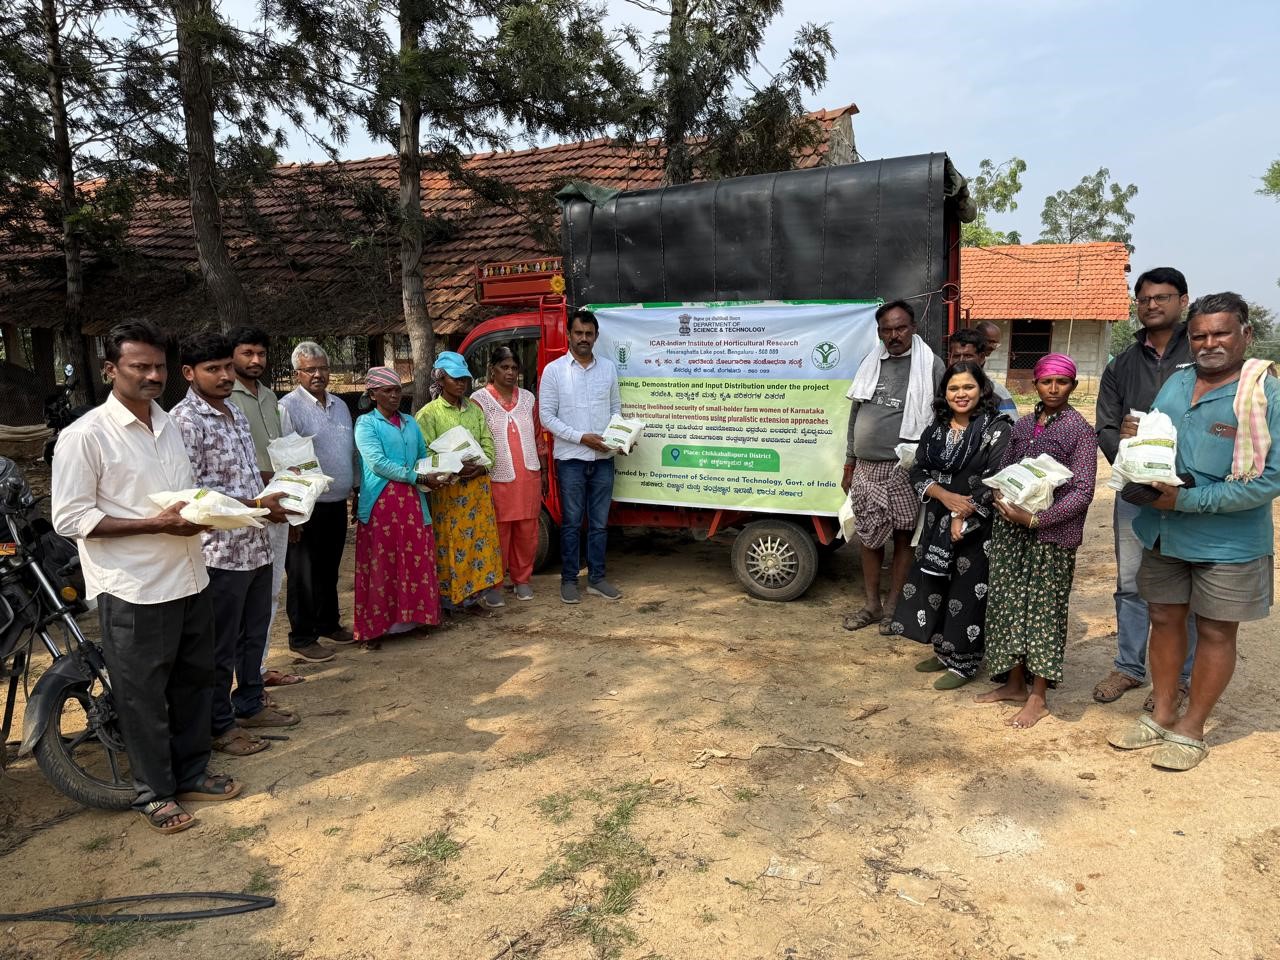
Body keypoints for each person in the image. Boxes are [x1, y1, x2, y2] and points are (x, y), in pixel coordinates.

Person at [51, 321, 238, 834]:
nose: (153, 375)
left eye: (158, 366)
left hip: (190, 575)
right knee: (143, 695)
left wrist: (204, 512)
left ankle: (192, 771)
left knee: (193, 683)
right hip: (135, 587)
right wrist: (157, 524)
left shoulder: (169, 423)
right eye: (140, 367)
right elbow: (70, 519)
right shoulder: (85, 436)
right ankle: (154, 792)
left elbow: (181, 494)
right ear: (111, 370)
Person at [1109, 294, 1280, 771]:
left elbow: (1271, 480)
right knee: (1163, 618)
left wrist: (1187, 499)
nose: (1209, 344)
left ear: (1246, 334)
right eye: (1200, 335)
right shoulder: (1177, 383)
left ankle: (1192, 727)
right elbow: (1157, 439)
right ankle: (1163, 714)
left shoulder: (1267, 394)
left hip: (1227, 542)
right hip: (1165, 530)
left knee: (1216, 630)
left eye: (1221, 333)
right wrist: (1133, 436)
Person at [171, 333, 300, 758]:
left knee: (254, 633)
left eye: (227, 366)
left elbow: (245, 474)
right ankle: (220, 724)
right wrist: (257, 503)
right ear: (189, 373)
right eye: (213, 369)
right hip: (220, 552)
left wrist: (286, 489)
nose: (225, 375)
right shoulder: (184, 422)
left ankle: (250, 702)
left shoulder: (234, 413)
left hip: (256, 542)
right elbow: (193, 494)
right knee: (220, 643)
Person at [1092, 267, 1197, 709]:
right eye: (1144, 298)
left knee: (1185, 584)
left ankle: (1182, 677)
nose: (1152, 305)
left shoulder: (1201, 350)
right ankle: (1129, 667)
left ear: (1183, 300)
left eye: (1162, 297)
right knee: (1131, 582)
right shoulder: (1122, 363)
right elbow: (1105, 426)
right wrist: (1132, 456)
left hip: (1190, 491)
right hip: (1135, 493)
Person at [977, 354, 1098, 728]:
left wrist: (1037, 518)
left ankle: (1038, 695)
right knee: (1009, 605)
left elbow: (1082, 490)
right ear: (1036, 384)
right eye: (1047, 381)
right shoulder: (1024, 425)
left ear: (1073, 387)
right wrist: (1000, 496)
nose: (1054, 388)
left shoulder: (1080, 430)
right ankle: (1014, 683)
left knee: (1044, 611)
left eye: (1062, 382)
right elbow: (1008, 469)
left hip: (1052, 533)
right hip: (1012, 530)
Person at [888, 361, 1011, 688]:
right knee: (935, 585)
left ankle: (965, 662)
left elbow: (997, 480)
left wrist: (963, 512)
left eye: (968, 387)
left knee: (968, 589)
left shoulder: (996, 429)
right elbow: (918, 471)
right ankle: (943, 650)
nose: (961, 394)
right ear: (944, 393)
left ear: (981, 389)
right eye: (954, 388)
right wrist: (943, 496)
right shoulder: (936, 430)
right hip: (937, 520)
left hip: (976, 524)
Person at [841, 300, 944, 633]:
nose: (894, 335)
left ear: (913, 328)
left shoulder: (931, 365)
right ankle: (871, 605)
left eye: (901, 327)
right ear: (879, 332)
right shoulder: (871, 363)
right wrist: (850, 459)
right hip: (867, 467)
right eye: (887, 329)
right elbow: (856, 412)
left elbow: (941, 415)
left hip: (906, 467)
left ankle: (893, 608)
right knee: (868, 537)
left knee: (903, 537)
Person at [226, 325, 302, 689]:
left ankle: (257, 668)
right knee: (241, 596)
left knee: (270, 590)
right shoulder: (225, 399)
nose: (255, 361)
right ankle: (240, 676)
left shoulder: (271, 398)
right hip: (242, 509)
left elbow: (284, 453)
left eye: (261, 354)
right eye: (247, 354)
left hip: (277, 504)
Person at [352, 366, 443, 645]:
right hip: (382, 503)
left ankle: (415, 618)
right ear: (373, 394)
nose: (394, 396)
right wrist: (415, 475)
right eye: (387, 391)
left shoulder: (409, 422)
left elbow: (422, 455)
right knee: (383, 561)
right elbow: (377, 463)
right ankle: (378, 626)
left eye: (397, 390)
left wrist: (438, 471)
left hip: (412, 502)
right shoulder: (366, 424)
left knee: (413, 557)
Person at [279, 342, 357, 663]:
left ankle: (328, 623)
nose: (318, 374)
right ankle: (302, 636)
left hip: (336, 501)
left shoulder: (339, 405)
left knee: (329, 569)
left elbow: (348, 451)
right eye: (310, 369)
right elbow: (284, 458)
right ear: (297, 373)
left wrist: (354, 487)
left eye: (323, 368)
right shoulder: (288, 407)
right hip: (306, 505)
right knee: (303, 575)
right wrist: (292, 512)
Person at [540, 309, 624, 604]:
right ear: (569, 335)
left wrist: (620, 438)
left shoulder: (608, 369)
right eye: (579, 333)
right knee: (572, 522)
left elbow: (616, 409)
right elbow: (546, 416)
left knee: (600, 523)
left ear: (596, 336)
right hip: (571, 460)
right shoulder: (554, 371)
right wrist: (582, 438)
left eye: (589, 334)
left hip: (603, 460)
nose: (584, 338)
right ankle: (569, 580)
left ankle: (597, 579)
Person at [414, 352, 505, 611]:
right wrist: (455, 467)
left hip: (476, 490)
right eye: (455, 378)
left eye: (464, 378)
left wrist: (481, 467)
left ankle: (473, 597)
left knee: (477, 542)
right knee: (451, 544)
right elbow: (425, 455)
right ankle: (449, 600)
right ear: (441, 379)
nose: (461, 383)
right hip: (449, 491)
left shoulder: (474, 410)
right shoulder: (428, 415)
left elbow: (488, 443)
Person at [472, 346, 546, 601]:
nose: (510, 372)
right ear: (492, 369)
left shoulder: (528, 399)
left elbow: (537, 436)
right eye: (504, 367)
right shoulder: (479, 400)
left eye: (514, 367)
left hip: (528, 476)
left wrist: (543, 470)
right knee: (498, 533)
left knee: (527, 531)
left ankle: (522, 579)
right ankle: (495, 583)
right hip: (496, 476)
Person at [948, 327, 1017, 417]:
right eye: (956, 356)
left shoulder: (996, 391)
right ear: (950, 358)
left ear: (981, 358)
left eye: (968, 356)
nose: (961, 361)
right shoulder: (944, 389)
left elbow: (1011, 424)